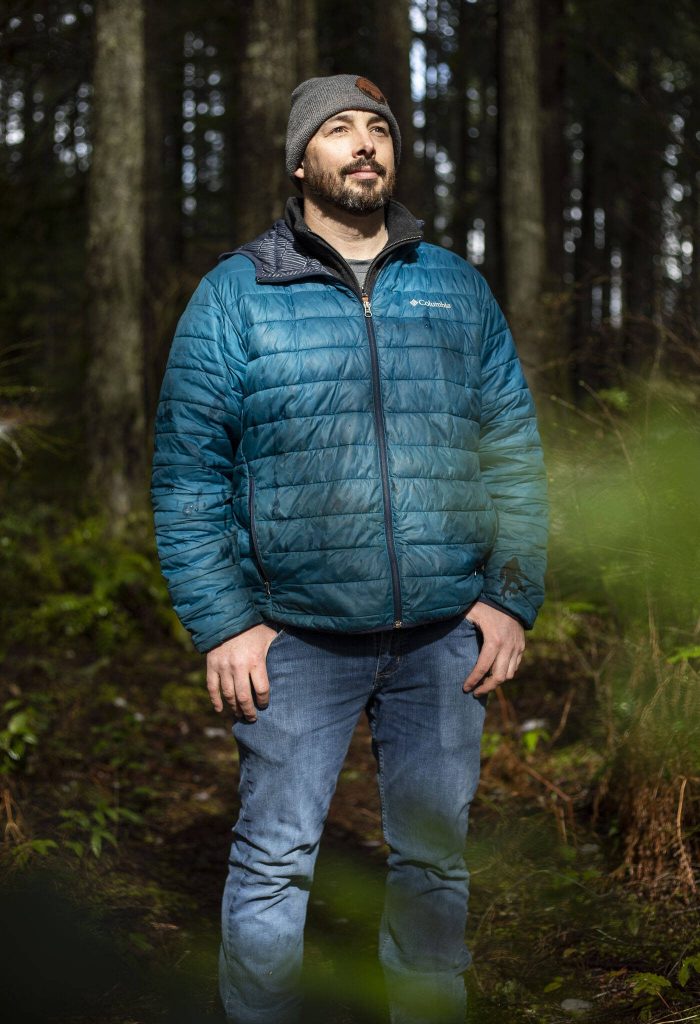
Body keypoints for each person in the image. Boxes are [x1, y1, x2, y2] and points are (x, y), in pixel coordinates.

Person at [151, 74, 548, 1024]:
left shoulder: (453, 285)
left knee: (432, 856)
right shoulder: (235, 293)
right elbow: (188, 473)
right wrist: (225, 623)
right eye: (338, 130)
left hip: (445, 634)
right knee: (276, 857)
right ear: (301, 161)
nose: (364, 144)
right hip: (294, 639)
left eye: (379, 129)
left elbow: (515, 452)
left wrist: (509, 596)